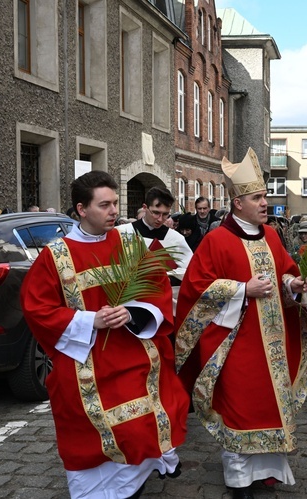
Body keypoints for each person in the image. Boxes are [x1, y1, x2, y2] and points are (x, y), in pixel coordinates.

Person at [19, 171, 189, 499]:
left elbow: (157, 285)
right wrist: (88, 321)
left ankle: (132, 487)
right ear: (81, 209)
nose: (114, 211)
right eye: (104, 205)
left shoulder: (130, 244)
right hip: (83, 359)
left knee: (139, 428)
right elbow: (36, 308)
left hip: (130, 354)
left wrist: (133, 312)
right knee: (87, 437)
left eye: (115, 203)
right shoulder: (57, 255)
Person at [174, 148, 307, 499]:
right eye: (257, 197)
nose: (264, 203)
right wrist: (242, 289)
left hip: (273, 342)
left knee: (271, 405)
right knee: (241, 409)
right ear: (238, 202)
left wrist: (293, 284)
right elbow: (197, 289)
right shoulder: (217, 240)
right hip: (236, 344)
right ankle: (239, 480)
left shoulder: (271, 236)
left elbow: (284, 269)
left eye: (265, 196)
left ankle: (268, 474)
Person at [117, 187, 194, 308]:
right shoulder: (122, 233)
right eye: (156, 212)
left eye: (165, 214)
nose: (160, 219)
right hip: (126, 301)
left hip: (162, 301)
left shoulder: (176, 238)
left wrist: (166, 277)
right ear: (145, 207)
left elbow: (189, 270)